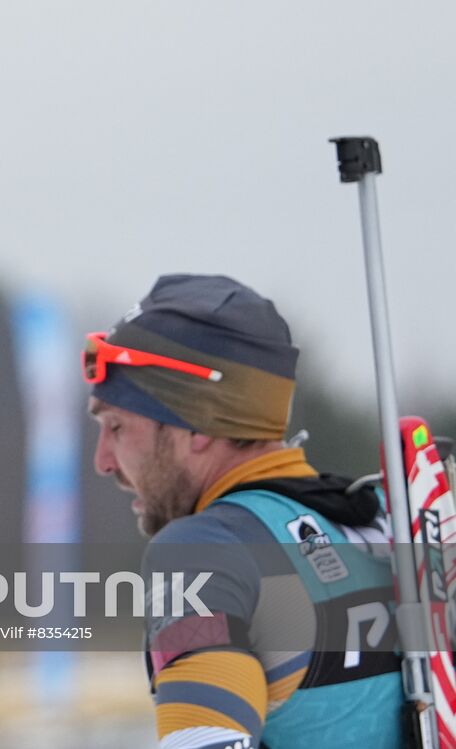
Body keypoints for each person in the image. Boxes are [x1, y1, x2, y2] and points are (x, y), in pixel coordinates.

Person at [84, 274, 402, 749]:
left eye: (117, 427)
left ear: (198, 427)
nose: (103, 462)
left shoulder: (206, 552)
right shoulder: (386, 517)